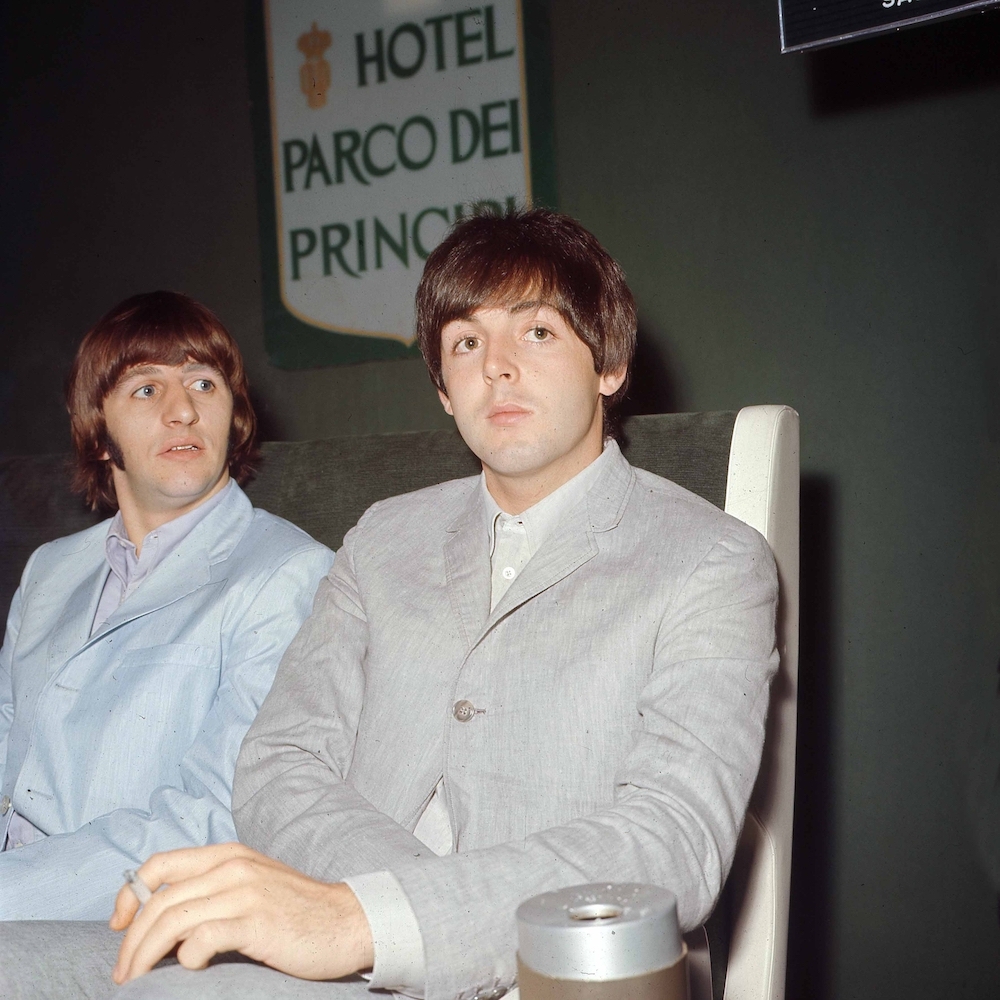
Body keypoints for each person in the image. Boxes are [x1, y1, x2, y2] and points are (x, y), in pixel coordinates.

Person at [1, 210, 778, 1000]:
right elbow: (276, 765)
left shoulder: (712, 559)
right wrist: (376, 916)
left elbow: (671, 839)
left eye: (537, 333)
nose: (498, 368)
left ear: (608, 363)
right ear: (443, 389)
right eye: (467, 343)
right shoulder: (382, 538)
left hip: (567, 974)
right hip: (339, 950)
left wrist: (386, 921)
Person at [0, 291, 333, 921]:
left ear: (234, 417)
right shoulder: (50, 569)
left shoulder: (288, 572)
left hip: (119, 922)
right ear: (98, 432)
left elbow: (217, 816)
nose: (183, 410)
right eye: (146, 389)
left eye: (204, 384)